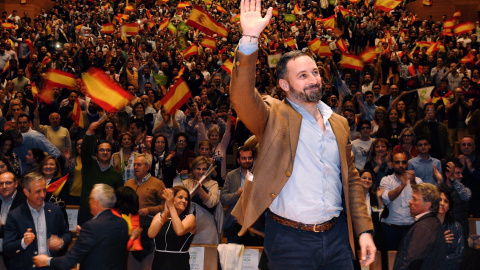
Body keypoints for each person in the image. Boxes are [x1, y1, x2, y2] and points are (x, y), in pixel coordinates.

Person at [229, 1, 375, 269]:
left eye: (316, 72)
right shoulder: (273, 115)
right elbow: (241, 97)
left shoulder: (339, 123)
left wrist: (364, 231)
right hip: (288, 241)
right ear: (284, 85)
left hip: (337, 239)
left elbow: (352, 181)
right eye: (303, 75)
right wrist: (250, 39)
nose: (314, 80)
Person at [33, 184, 129, 270]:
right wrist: (84, 234)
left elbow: (68, 262)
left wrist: (46, 260)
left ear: (96, 202)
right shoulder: (122, 223)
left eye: (90, 199)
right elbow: (104, 243)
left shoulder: (91, 227)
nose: (89, 202)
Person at [3, 172, 72, 270]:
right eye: (38, 191)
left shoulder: (55, 210)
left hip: (51, 266)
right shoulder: (15, 215)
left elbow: (67, 234)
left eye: (44, 190)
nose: (43, 195)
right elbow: (7, 249)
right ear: (26, 192)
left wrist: (61, 241)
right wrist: (23, 242)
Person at [124, 154, 166, 270]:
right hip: (130, 231)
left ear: (147, 167)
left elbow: (165, 207)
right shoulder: (128, 184)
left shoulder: (157, 184)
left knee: (147, 264)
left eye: (139, 165)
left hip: (150, 231)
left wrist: (149, 210)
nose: (135, 167)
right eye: (134, 165)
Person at [78, 120, 123, 225]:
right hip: (86, 214)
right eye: (102, 150)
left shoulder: (116, 175)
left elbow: (119, 199)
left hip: (106, 217)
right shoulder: (89, 165)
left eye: (108, 150)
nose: (105, 152)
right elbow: (84, 150)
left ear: (111, 153)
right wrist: (89, 132)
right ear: (96, 153)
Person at [393, 183, 446, 270]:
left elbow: (411, 262)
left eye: (414, 199)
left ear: (427, 205)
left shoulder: (424, 227)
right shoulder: (430, 222)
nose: (410, 201)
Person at [380, 153, 423, 251]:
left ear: (407, 164)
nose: (400, 165)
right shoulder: (386, 180)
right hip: (391, 228)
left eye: (403, 162)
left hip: (411, 227)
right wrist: (402, 185)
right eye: (397, 162)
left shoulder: (417, 180)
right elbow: (386, 199)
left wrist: (412, 183)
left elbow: (423, 200)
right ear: (391, 164)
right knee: (391, 260)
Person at [147, 186, 196, 270]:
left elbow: (179, 231)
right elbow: (151, 234)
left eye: (186, 199)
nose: (184, 201)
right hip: (159, 263)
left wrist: (171, 207)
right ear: (172, 198)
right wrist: (165, 212)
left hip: (179, 264)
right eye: (180, 197)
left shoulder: (190, 218)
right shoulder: (159, 216)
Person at [221, 145, 261, 245]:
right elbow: (223, 198)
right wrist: (237, 194)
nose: (247, 160)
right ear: (238, 160)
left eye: (249, 158)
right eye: (244, 158)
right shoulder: (231, 175)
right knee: (234, 258)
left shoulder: (260, 175)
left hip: (254, 223)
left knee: (252, 257)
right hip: (234, 223)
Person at [181, 156, 220, 245]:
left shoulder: (213, 183)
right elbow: (181, 204)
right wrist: (193, 191)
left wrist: (200, 190)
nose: (201, 172)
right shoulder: (185, 183)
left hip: (207, 226)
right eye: (198, 169)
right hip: (187, 226)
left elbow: (212, 203)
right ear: (193, 169)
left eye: (204, 169)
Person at [0, 172, 26, 270]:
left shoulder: (24, 203)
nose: (4, 186)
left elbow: (20, 231)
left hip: (15, 256)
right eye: (1, 183)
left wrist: (1, 228)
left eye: (8, 183)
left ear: (16, 184)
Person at [437, 188, 464, 270]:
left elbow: (459, 255)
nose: (442, 203)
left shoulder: (456, 227)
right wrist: (439, 240)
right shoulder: (426, 226)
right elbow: (423, 253)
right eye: (439, 200)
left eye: (446, 201)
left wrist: (438, 259)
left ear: (449, 207)